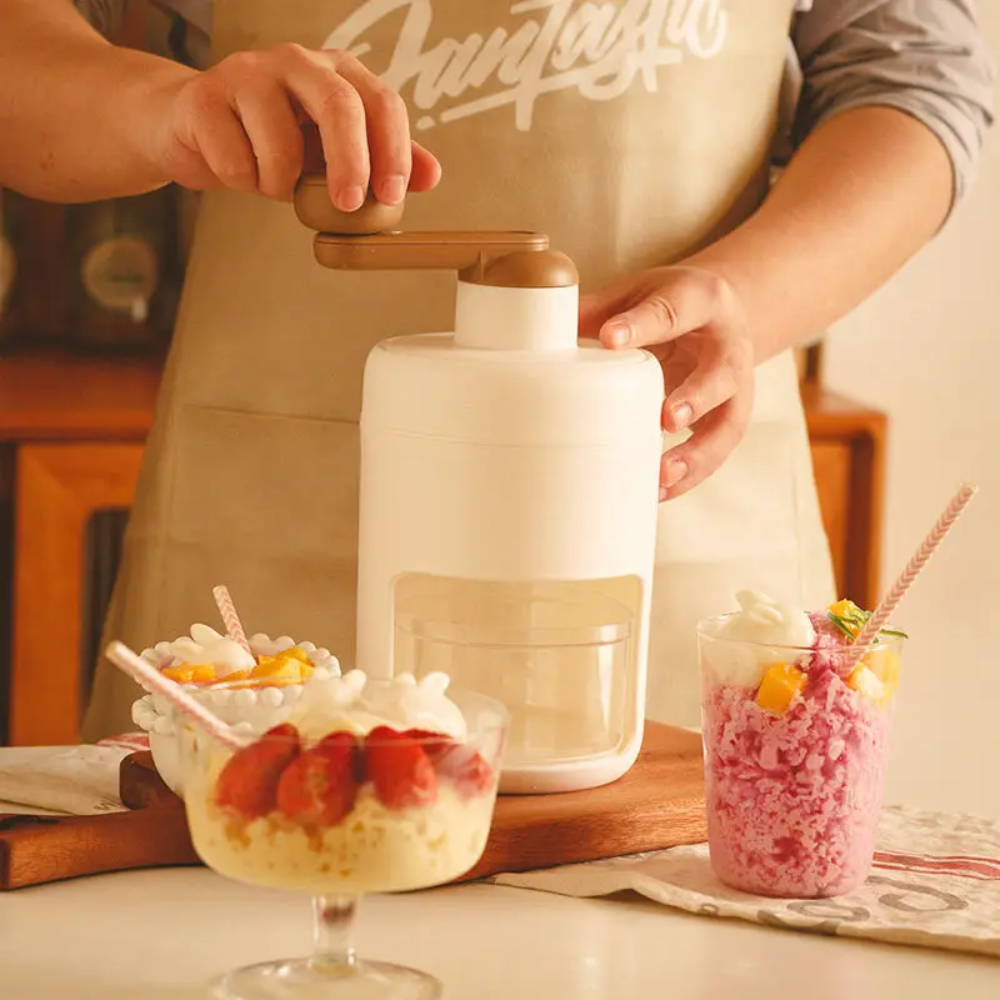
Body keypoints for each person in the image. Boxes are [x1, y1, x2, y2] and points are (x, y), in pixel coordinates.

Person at [1, 0, 993, 738]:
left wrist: (750, 294)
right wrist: (166, 108)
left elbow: (912, 81)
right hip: (270, 571)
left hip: (683, 543)